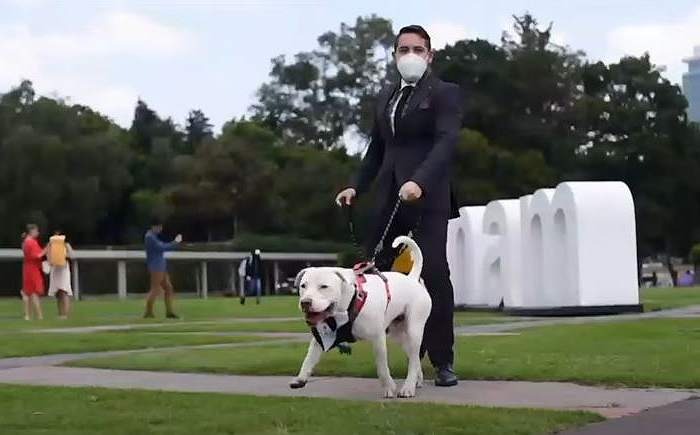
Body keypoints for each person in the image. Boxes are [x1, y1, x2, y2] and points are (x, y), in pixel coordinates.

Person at [335, 25, 462, 387]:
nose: (410, 56)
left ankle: (443, 360)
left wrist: (419, 181)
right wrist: (355, 185)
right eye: (403, 49)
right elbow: (377, 148)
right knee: (377, 272)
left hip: (429, 196)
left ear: (430, 54)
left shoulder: (445, 94)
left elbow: (446, 142)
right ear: (393, 55)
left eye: (417, 49)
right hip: (389, 196)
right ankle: (404, 355)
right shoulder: (386, 97)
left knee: (434, 273)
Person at [143, 219, 182, 318]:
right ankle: (148, 312)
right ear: (153, 226)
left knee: (169, 288)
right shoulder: (150, 237)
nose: (160, 229)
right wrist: (175, 242)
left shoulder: (153, 236)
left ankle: (169, 312)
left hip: (160, 266)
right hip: (156, 266)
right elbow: (162, 248)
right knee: (155, 289)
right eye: (159, 227)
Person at [46, 230, 74, 319]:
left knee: (64, 291)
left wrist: (64, 257)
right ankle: (60, 313)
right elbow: (47, 253)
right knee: (58, 292)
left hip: (63, 269)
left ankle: (66, 313)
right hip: (55, 269)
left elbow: (72, 255)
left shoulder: (66, 244)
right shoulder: (50, 244)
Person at [21, 224, 46, 320]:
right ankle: (39, 315)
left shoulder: (25, 242)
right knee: (34, 292)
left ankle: (27, 315)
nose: (37, 233)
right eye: (36, 231)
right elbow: (36, 255)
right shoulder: (31, 242)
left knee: (26, 292)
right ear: (31, 231)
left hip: (27, 268)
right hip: (33, 268)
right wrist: (46, 251)